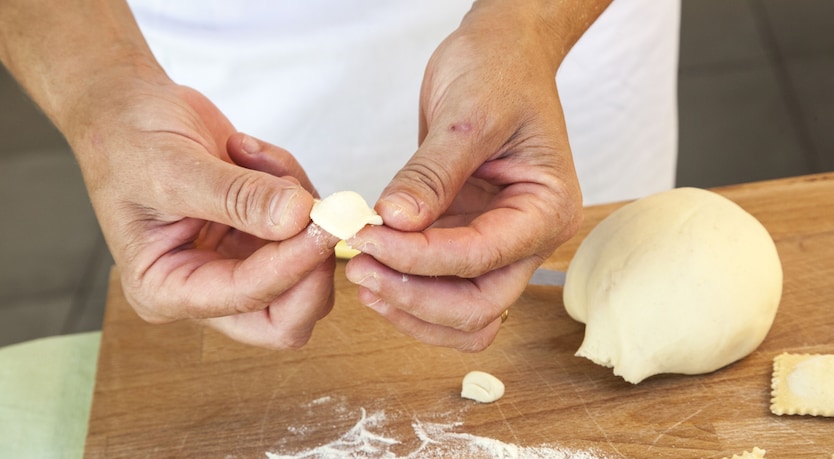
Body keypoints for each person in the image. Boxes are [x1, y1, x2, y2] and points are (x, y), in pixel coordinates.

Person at [0, 0, 680, 352]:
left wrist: (532, 27)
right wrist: (100, 87)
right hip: (199, 75)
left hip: (554, 49)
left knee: (615, 302)